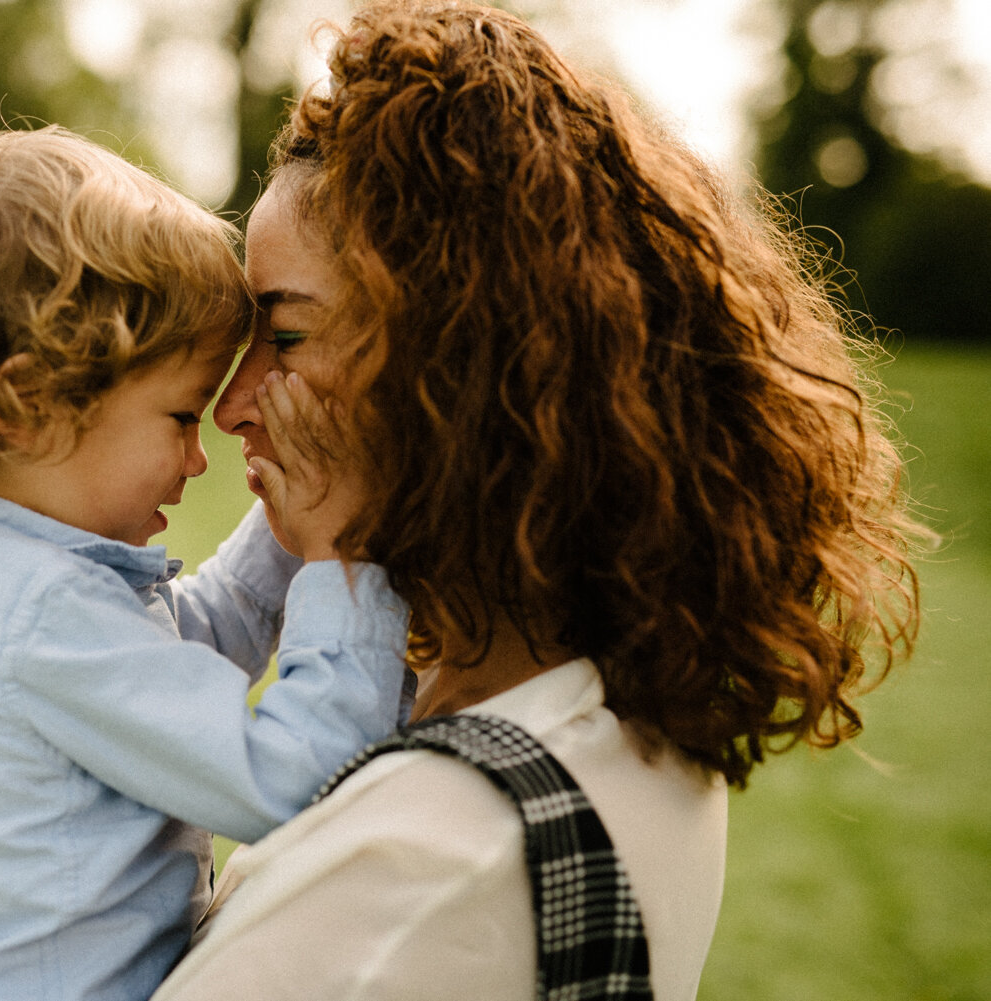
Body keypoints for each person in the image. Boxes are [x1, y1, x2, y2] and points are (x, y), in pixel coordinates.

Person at [152, 3, 927, 999]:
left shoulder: (430, 852)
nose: (232, 407)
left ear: (463, 366)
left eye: (287, 336)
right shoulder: (610, 706)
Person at [0, 125, 411, 1001]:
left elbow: (198, 637)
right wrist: (342, 556)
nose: (200, 460)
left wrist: (295, 519)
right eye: (180, 417)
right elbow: (294, 778)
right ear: (29, 405)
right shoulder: (33, 613)